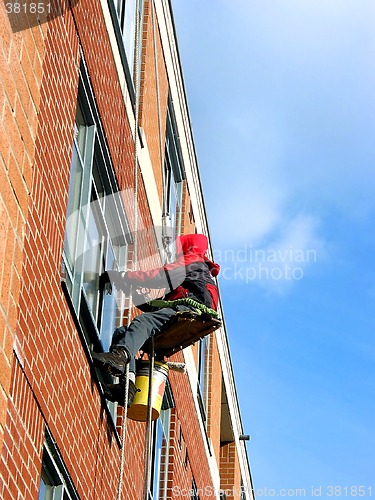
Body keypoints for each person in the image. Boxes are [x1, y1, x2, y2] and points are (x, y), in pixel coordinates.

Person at [92, 233, 220, 406]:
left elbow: (159, 276)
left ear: (188, 247)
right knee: (123, 333)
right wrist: (132, 291)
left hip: (190, 310)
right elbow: (158, 308)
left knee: (143, 322)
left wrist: (124, 276)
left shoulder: (193, 261)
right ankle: (127, 386)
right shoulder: (195, 276)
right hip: (186, 313)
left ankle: (119, 356)